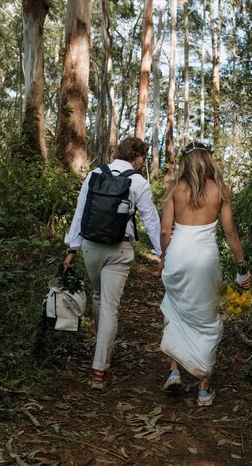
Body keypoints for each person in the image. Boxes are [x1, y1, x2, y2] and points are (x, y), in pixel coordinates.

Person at [158, 142, 251, 407]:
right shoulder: (220, 190)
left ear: (186, 162)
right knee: (208, 317)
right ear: (208, 160)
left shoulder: (175, 189)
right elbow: (230, 231)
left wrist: (164, 258)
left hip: (178, 255)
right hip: (206, 259)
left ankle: (174, 371)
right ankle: (203, 389)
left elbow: (166, 231)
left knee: (175, 310)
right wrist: (242, 265)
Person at [64, 137, 161, 390]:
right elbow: (151, 221)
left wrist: (72, 248)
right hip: (119, 249)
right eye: (144, 158)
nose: (144, 163)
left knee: (99, 297)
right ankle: (100, 369)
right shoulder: (138, 182)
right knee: (109, 307)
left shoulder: (95, 173)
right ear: (137, 155)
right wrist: (163, 253)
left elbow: (80, 212)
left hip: (91, 247)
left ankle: (101, 350)